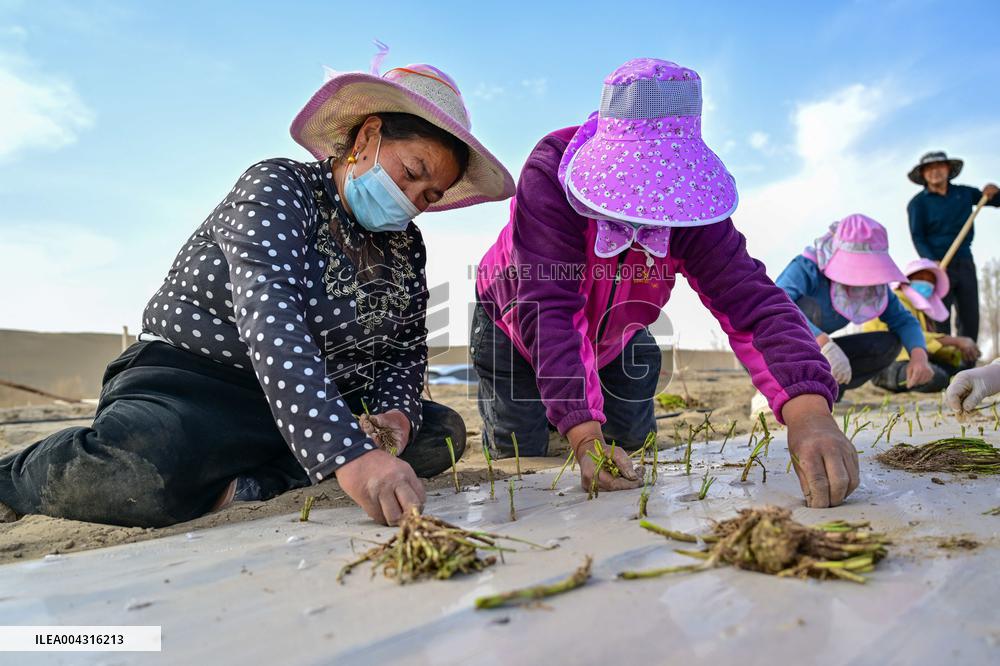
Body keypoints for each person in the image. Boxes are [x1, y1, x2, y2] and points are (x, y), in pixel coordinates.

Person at [0, 61, 515, 528]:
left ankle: (250, 483)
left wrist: (394, 418)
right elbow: (272, 320)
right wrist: (352, 457)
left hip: (313, 404)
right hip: (195, 387)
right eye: (411, 173)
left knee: (440, 432)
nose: (411, 201)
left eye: (428, 196)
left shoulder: (406, 248)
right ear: (368, 136)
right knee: (144, 473)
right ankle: (13, 474)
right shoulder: (277, 187)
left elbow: (404, 348)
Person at [473, 58, 859, 509]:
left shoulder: (692, 201)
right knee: (522, 464)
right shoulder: (552, 174)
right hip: (515, 326)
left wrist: (809, 413)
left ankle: (578, 411)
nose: (642, 206)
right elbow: (549, 308)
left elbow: (751, 301)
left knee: (636, 446)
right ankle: (562, 418)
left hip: (620, 336)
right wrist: (583, 437)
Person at [775, 215, 934, 399]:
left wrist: (919, 355)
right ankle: (777, 387)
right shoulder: (807, 268)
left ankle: (828, 386)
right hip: (779, 348)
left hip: (819, 354)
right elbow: (776, 304)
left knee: (889, 344)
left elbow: (904, 321)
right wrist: (821, 342)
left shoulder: (874, 289)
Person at [906, 150, 1000, 340]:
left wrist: (994, 191)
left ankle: (968, 364)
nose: (935, 172)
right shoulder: (918, 204)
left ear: (948, 169)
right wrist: (933, 261)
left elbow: (995, 200)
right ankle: (944, 363)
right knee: (940, 316)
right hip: (938, 266)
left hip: (964, 260)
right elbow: (918, 236)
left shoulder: (964, 193)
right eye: (929, 169)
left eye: (939, 166)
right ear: (923, 174)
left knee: (970, 314)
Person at [865, 258, 980, 392]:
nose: (927, 284)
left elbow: (927, 345)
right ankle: (897, 382)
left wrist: (956, 352)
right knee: (937, 378)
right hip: (888, 363)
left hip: (914, 360)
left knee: (961, 371)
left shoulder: (921, 311)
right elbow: (910, 337)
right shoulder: (896, 300)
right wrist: (955, 341)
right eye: (921, 278)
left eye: (931, 281)